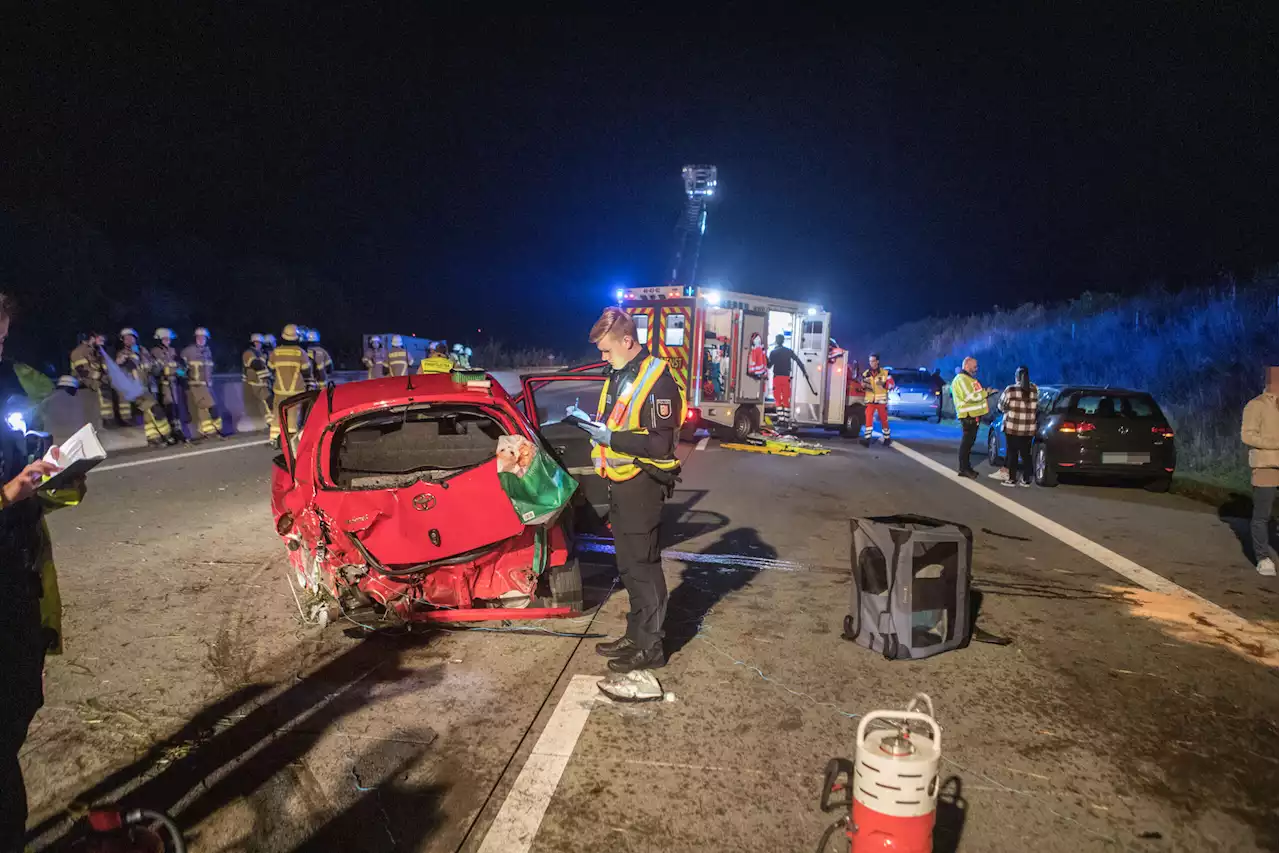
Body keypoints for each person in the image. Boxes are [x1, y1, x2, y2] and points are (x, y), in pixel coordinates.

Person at [0, 294, 87, 850]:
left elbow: (33, 470)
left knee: (18, 706)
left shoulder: (13, 383)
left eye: (2, 329)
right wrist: (6, 494)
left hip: (16, 576)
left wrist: (62, 476)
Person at [578, 307, 684, 674]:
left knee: (644, 566)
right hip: (621, 484)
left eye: (607, 350)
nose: (603, 358)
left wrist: (612, 438)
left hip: (643, 483)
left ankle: (651, 646)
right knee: (627, 564)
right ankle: (635, 635)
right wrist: (597, 430)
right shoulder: (620, 374)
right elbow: (617, 418)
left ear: (627, 340)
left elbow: (659, 446)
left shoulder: (658, 380)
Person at [1241, 366, 1280, 577]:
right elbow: (1247, 436)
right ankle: (1263, 558)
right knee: (1262, 516)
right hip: (1266, 465)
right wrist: (1275, 443)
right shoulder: (1256, 405)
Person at [115, 328, 175, 446]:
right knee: (156, 409)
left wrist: (157, 367)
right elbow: (118, 365)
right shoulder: (123, 354)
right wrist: (121, 361)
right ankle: (167, 435)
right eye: (126, 338)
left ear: (135, 338)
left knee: (149, 413)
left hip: (149, 386)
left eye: (130, 337)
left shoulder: (143, 351)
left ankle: (153, 437)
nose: (128, 340)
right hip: (137, 389)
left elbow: (153, 368)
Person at [267, 324, 312, 448]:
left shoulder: (276, 352)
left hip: (279, 390)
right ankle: (290, 442)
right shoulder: (300, 353)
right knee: (293, 416)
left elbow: (270, 368)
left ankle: (274, 440)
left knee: (277, 414)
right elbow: (307, 371)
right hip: (296, 390)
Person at [998, 366, 1039, 487]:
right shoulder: (1035, 390)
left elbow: (1001, 406)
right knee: (1026, 453)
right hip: (1028, 428)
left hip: (1012, 426)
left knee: (1012, 452)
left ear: (1016, 377)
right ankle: (1026, 479)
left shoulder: (1010, 389)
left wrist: (1009, 409)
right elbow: (1037, 407)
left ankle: (1012, 478)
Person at [951, 356, 990, 478]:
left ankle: (966, 467)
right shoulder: (961, 379)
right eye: (974, 366)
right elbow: (970, 397)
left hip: (973, 416)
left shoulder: (969, 379)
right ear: (966, 365)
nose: (976, 368)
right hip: (968, 416)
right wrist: (986, 393)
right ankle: (964, 468)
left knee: (969, 443)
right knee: (966, 444)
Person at [181, 327, 221, 440]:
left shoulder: (208, 351)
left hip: (207, 385)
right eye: (199, 337)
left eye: (203, 337)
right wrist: (182, 376)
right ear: (195, 338)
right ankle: (215, 430)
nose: (201, 339)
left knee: (203, 408)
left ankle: (208, 431)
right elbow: (180, 367)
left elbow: (209, 368)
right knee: (212, 406)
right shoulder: (188, 351)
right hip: (195, 384)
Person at [69, 332, 115, 427]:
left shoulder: (97, 351)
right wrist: (100, 377)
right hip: (82, 379)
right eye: (100, 339)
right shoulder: (79, 351)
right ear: (92, 338)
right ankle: (107, 420)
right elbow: (83, 370)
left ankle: (116, 417)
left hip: (95, 377)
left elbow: (104, 367)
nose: (102, 342)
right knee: (103, 387)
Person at [767, 333, 811, 424]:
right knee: (786, 398)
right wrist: (804, 372)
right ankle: (786, 420)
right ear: (783, 341)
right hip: (786, 378)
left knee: (778, 399)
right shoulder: (788, 351)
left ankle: (781, 419)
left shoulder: (773, 352)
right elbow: (798, 361)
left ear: (776, 341)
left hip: (777, 378)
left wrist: (765, 357)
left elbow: (769, 366)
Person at [151, 328, 185, 439]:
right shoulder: (155, 352)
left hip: (174, 383)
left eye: (169, 339)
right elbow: (155, 370)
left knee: (175, 407)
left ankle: (178, 430)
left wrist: (182, 370)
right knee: (168, 407)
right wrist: (173, 371)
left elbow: (179, 365)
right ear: (159, 339)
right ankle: (170, 432)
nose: (167, 341)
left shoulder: (173, 351)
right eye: (165, 339)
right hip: (163, 384)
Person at [860, 353, 895, 447]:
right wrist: (863, 386)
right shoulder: (866, 373)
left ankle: (887, 438)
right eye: (870, 361)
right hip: (870, 401)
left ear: (877, 362)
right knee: (868, 419)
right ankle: (867, 439)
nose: (871, 363)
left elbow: (892, 385)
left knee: (884, 420)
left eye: (873, 361)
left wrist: (885, 385)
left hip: (881, 401)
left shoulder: (885, 373)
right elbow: (863, 386)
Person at [243, 333, 273, 428]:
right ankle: (271, 421)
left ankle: (270, 420)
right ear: (252, 343)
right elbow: (256, 364)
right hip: (255, 383)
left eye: (259, 343)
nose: (258, 344)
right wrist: (267, 375)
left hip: (261, 382)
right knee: (267, 399)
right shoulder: (249, 353)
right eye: (256, 342)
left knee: (266, 401)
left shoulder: (260, 353)